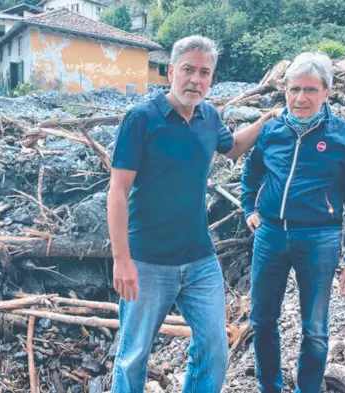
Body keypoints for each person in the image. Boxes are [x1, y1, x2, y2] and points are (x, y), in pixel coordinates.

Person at [107, 35, 279, 393]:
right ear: (171, 71)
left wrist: (265, 120)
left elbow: (231, 148)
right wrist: (122, 259)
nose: (195, 80)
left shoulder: (208, 116)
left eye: (204, 73)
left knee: (215, 345)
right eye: (188, 70)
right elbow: (118, 191)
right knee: (134, 354)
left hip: (199, 257)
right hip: (147, 260)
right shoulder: (142, 119)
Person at [240, 52, 345, 393]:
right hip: (270, 235)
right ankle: (268, 387)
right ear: (284, 90)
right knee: (261, 321)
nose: (300, 98)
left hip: (320, 238)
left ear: (327, 92)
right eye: (294, 89)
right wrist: (248, 208)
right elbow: (251, 174)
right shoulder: (271, 130)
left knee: (314, 328)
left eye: (310, 90)